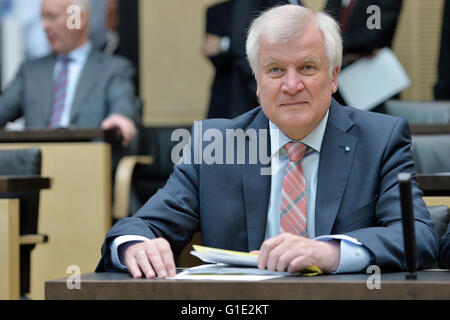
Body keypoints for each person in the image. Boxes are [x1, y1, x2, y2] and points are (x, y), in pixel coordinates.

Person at [96, 4, 438, 278]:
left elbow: (418, 237)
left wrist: (331, 252)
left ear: (333, 76)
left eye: (306, 68)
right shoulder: (216, 145)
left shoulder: (381, 139)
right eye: (275, 70)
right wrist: (134, 246)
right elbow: (142, 224)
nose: (291, 85)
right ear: (258, 82)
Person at [0, 0, 140, 147]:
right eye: (42, 17)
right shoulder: (30, 71)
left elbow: (122, 101)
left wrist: (119, 117)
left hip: (90, 165)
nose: (44, 26)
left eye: (52, 17)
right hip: (38, 166)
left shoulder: (113, 69)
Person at [324, 0, 403, 106]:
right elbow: (323, 31)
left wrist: (331, 45)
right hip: (337, 84)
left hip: (372, 84)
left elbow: (370, 38)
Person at [202, 0, 233, 119]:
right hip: (225, 92)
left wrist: (224, 44)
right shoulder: (216, 11)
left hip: (259, 90)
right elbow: (212, 51)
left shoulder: (271, 6)